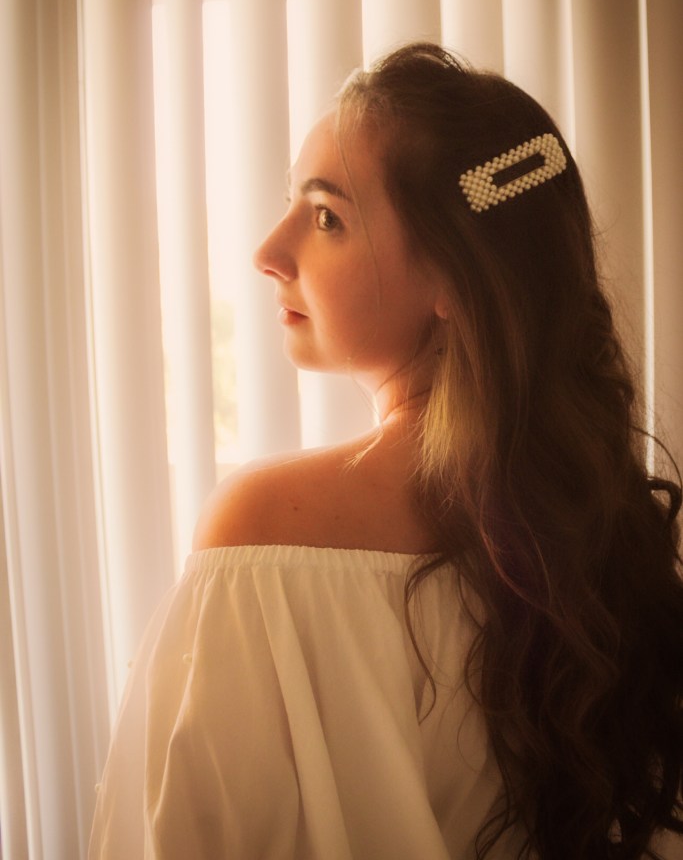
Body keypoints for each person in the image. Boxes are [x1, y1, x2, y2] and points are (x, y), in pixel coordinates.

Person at [89, 43, 683, 859]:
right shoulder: (612, 543)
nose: (268, 250)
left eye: (326, 217)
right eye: (292, 203)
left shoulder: (264, 529)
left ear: (453, 279)